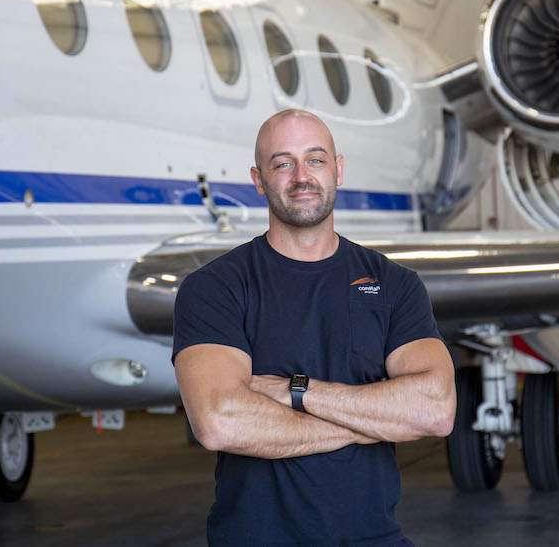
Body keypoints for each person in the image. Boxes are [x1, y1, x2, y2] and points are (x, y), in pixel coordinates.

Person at [172, 109, 456, 546]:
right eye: (282, 163)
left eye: (316, 159)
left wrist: (296, 391)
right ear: (258, 179)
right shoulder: (215, 288)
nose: (301, 176)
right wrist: (372, 422)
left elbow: (435, 409)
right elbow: (219, 422)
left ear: (338, 170)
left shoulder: (395, 284)